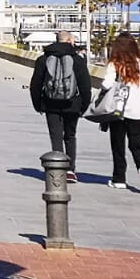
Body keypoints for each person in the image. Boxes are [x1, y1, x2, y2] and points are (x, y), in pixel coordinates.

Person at [29, 31, 91, 182]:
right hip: (72, 104)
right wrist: (83, 106)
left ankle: (58, 168)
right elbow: (85, 85)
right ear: (69, 40)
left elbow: (35, 85)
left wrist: (38, 104)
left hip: (50, 103)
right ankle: (70, 170)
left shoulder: (43, 59)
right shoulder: (77, 59)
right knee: (70, 136)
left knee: (55, 135)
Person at [97, 32, 140, 192]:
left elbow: (107, 84)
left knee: (118, 145)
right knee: (137, 145)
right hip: (139, 110)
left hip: (118, 110)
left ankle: (119, 178)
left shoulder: (115, 63)